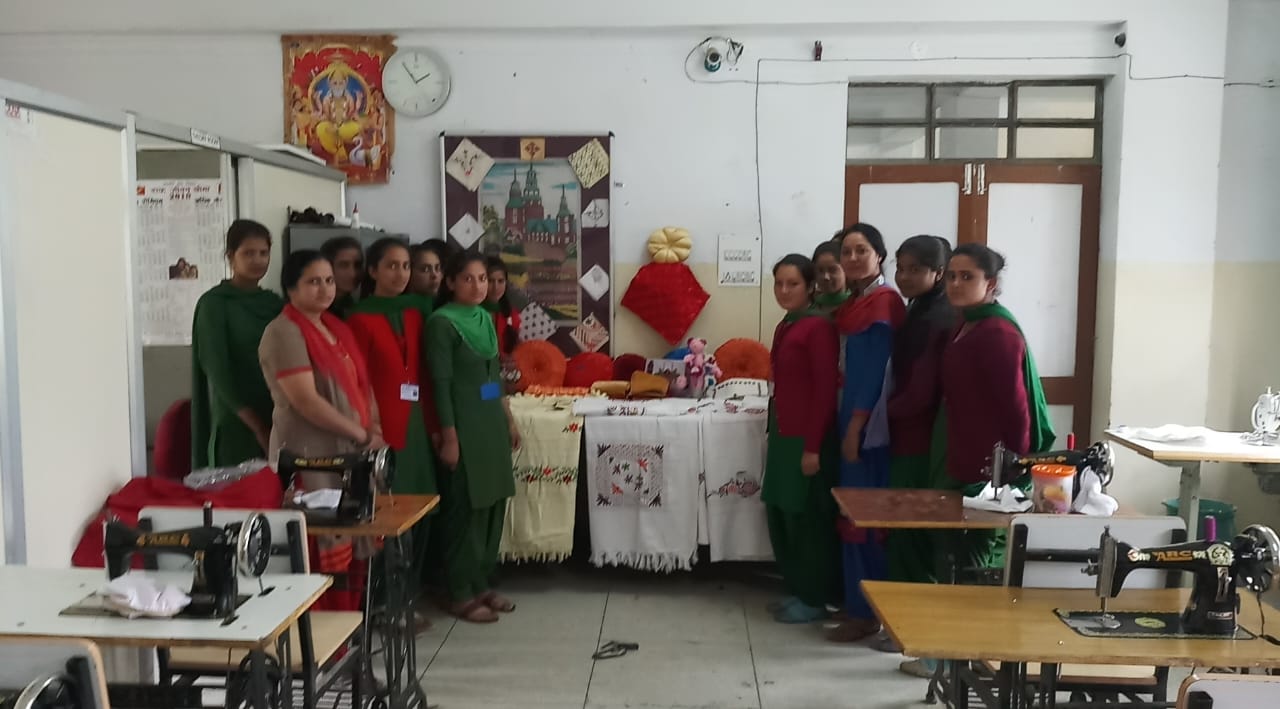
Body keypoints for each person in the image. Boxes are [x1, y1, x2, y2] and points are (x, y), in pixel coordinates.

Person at [258, 250, 383, 612]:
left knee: (353, 543)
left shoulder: (335, 328)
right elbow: (306, 401)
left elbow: (362, 386)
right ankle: (324, 639)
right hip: (310, 458)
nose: (325, 288)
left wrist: (373, 427)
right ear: (291, 288)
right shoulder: (283, 332)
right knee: (321, 550)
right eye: (313, 282)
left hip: (350, 453)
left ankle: (350, 634)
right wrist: (361, 434)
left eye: (329, 280)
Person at [940, 243, 1054, 568]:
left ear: (990, 283)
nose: (956, 284)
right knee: (955, 554)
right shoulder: (965, 323)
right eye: (951, 276)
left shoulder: (998, 333)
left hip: (991, 469)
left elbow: (1016, 411)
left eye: (967, 277)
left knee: (979, 559)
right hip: (964, 453)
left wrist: (1010, 472)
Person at [347, 238, 440, 624]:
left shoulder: (418, 311)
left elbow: (426, 373)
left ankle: (407, 595)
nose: (400, 274)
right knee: (386, 513)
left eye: (405, 266)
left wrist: (435, 427)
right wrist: (369, 426)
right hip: (381, 427)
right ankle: (382, 603)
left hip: (417, 426)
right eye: (391, 266)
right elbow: (356, 380)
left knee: (420, 510)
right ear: (372, 271)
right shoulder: (358, 318)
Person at [427, 251, 521, 623]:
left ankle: (480, 582)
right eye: (468, 278)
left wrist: (508, 420)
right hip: (463, 425)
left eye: (483, 278)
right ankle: (458, 591)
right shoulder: (442, 323)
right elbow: (441, 385)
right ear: (450, 282)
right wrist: (449, 437)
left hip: (490, 424)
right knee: (464, 509)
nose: (478, 286)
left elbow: (492, 378)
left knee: (492, 505)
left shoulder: (484, 317)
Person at [829, 222, 906, 643]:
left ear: (880, 255)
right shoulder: (855, 302)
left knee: (866, 517)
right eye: (847, 251)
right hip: (847, 415)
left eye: (862, 250)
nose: (853, 258)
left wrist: (856, 427)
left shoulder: (883, 303)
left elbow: (876, 374)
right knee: (849, 511)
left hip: (868, 423)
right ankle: (855, 601)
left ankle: (869, 613)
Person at [761, 255, 842, 624]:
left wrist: (812, 448)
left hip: (806, 437)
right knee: (781, 512)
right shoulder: (787, 323)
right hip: (783, 434)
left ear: (811, 286)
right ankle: (796, 588)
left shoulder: (818, 327)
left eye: (792, 283)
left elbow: (825, 391)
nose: (783, 290)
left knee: (807, 519)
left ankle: (813, 597)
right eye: (778, 283)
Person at [886, 235, 955, 586]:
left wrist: (880, 415)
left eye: (915, 270)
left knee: (910, 526)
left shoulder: (937, 317)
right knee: (902, 527)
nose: (903, 277)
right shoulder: (918, 307)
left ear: (938, 273)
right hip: (908, 431)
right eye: (900, 268)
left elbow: (920, 392)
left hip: (919, 438)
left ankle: (912, 607)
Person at [191, 219, 283, 469]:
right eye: (249, 253)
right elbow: (217, 371)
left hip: (276, 413)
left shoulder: (274, 303)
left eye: (263, 253)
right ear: (231, 256)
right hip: (236, 419)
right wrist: (258, 427)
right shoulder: (214, 304)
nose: (258, 260)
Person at [483, 257, 522, 357]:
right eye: (490, 281)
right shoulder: (472, 312)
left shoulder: (513, 315)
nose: (496, 287)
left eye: (500, 281)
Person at [322, 236, 363, 318]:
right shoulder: (314, 307)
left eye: (357, 265)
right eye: (343, 265)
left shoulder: (352, 305)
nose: (353, 273)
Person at [812, 240, 849, 312]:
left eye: (832, 270)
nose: (826, 277)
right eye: (820, 271)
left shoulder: (856, 305)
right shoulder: (809, 309)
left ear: (846, 269)